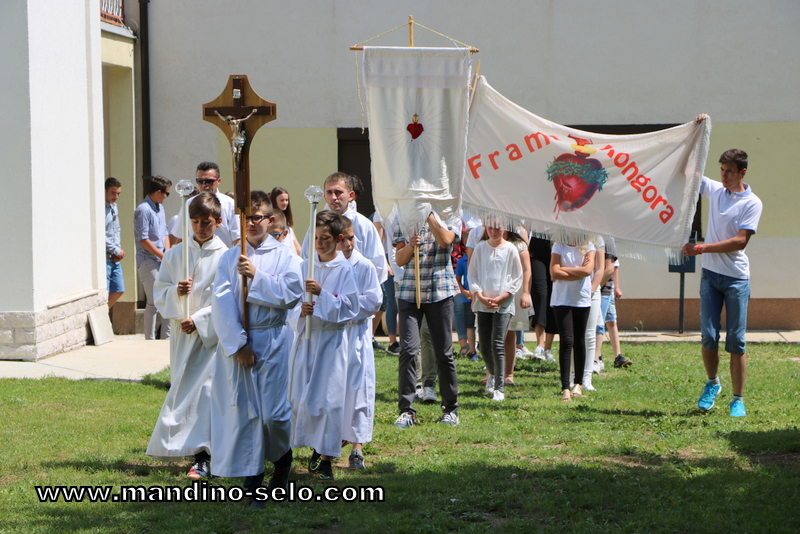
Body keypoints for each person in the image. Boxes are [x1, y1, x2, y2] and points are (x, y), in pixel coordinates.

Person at [210, 191, 303, 504]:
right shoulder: (229, 257)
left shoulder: (286, 254)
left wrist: (257, 277)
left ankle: (282, 458)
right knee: (248, 414)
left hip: (274, 339)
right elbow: (221, 304)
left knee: (274, 415)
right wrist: (238, 344)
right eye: (246, 218)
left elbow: (292, 293)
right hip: (243, 341)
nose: (251, 223)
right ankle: (253, 477)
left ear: (271, 219)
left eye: (258, 217)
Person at [146, 193, 227, 479]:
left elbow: (226, 298)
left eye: (206, 222)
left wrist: (200, 319)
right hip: (183, 336)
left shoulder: (224, 256)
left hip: (210, 337)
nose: (200, 227)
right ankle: (192, 448)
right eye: (194, 222)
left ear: (217, 222)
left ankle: (204, 455)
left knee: (206, 394)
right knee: (184, 392)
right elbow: (159, 291)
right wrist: (175, 294)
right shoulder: (175, 254)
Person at [682, 138, 763, 417]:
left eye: (729, 170)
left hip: (736, 279)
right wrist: (696, 132)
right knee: (708, 336)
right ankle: (713, 384)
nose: (723, 175)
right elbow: (688, 171)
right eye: (721, 170)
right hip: (710, 276)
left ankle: (738, 399)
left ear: (742, 172)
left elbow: (740, 241)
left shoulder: (752, 203)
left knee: (737, 341)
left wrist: (701, 248)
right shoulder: (716, 190)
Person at [291, 211, 360, 481]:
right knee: (299, 397)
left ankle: (326, 456)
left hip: (331, 341)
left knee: (329, 402)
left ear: (339, 239)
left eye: (326, 238)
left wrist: (322, 296)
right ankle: (300, 448)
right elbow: (291, 303)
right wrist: (301, 310)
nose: (319, 243)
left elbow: (351, 307)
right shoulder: (303, 267)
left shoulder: (344, 269)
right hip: (307, 339)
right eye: (317, 238)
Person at [393, 212, 461, 428]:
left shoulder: (450, 213)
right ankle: (406, 410)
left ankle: (450, 408)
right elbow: (400, 259)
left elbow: (445, 240)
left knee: (444, 352)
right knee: (409, 350)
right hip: (410, 292)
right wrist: (409, 245)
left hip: (440, 291)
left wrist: (430, 216)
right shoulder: (402, 218)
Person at [337, 217, 382, 470]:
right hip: (333, 336)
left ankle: (357, 448)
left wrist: (341, 305)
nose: (349, 244)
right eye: (344, 239)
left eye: (352, 238)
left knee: (358, 391)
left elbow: (373, 302)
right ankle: (327, 445)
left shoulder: (364, 265)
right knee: (334, 390)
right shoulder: (326, 265)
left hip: (356, 334)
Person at [468, 225, 523, 401]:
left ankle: (499, 387)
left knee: (498, 343)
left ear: (504, 229)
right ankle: (491, 373)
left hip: (503, 303)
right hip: (484, 302)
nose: (494, 232)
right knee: (484, 345)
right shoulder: (480, 248)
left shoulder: (510, 248)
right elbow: (473, 273)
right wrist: (480, 295)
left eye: (497, 228)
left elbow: (517, 276)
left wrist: (503, 297)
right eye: (491, 228)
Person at [301, 172, 387, 284]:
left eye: (338, 192)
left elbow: (377, 263)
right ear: (324, 196)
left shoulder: (364, 225)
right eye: (329, 192)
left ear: (350, 195)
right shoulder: (315, 225)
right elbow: (307, 257)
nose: (333, 197)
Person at [550, 239, 595, 402]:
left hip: (581, 299)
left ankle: (578, 383)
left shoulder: (589, 246)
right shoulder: (558, 246)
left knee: (579, 341)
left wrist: (564, 270)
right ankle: (565, 387)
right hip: (562, 299)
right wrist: (578, 271)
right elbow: (554, 272)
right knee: (566, 341)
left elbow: (588, 271)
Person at [134, 175, 172, 340]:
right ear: (158, 192)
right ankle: (149, 340)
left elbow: (165, 233)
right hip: (148, 261)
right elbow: (143, 239)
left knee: (167, 298)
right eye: (166, 193)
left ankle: (167, 338)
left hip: (161, 259)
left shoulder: (160, 208)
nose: (166, 197)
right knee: (154, 301)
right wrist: (162, 255)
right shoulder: (143, 210)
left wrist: (168, 254)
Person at [170, 162, 240, 249]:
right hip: (194, 256)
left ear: (218, 181)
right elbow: (181, 236)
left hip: (222, 257)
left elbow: (238, 238)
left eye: (208, 181)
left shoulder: (230, 204)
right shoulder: (189, 203)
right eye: (199, 181)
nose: (204, 185)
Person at [529, 236, 557, 361]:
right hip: (538, 242)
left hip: (556, 243)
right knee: (540, 294)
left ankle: (548, 348)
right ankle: (539, 345)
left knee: (553, 297)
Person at [105, 178, 125, 308]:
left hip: (114, 257)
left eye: (118, 193)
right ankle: (102, 319)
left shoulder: (114, 207)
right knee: (105, 290)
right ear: (105, 191)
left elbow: (116, 230)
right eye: (113, 193)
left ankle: (104, 313)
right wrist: (115, 250)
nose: (116, 196)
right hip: (105, 257)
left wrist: (118, 249)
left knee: (119, 289)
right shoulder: (101, 208)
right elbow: (100, 234)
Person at [454, 250, 478, 361]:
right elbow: (457, 279)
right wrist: (464, 292)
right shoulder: (462, 261)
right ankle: (472, 351)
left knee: (483, 325)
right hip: (468, 299)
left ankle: (483, 349)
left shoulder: (481, 257)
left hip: (482, 297)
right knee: (470, 326)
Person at [270, 187, 302, 255]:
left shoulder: (287, 223)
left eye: (286, 200)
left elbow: (296, 246)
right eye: (282, 200)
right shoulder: (270, 222)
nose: (285, 203)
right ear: (274, 201)